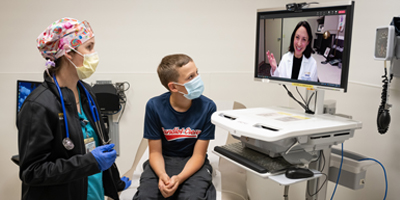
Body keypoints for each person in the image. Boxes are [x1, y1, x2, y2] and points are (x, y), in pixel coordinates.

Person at [18, 17, 131, 200]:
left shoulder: (87, 92)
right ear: (68, 52)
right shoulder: (38, 105)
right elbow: (32, 172)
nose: (94, 53)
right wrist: (89, 162)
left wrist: (114, 183)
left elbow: (99, 144)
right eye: (89, 47)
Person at [133, 54, 217, 200]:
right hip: (163, 161)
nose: (197, 78)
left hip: (193, 163)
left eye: (197, 72)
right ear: (173, 86)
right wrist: (162, 176)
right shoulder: (154, 106)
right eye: (191, 77)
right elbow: (155, 152)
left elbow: (199, 155)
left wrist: (178, 178)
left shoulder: (208, 107)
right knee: (145, 197)